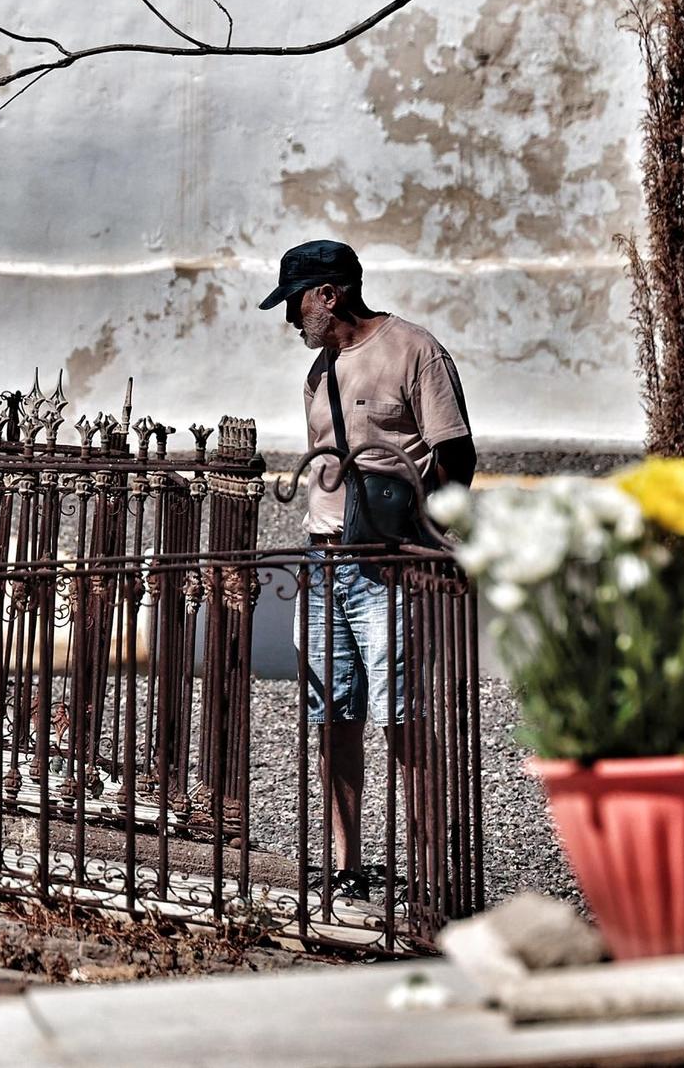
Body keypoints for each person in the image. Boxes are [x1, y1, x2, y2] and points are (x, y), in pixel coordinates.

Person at [257, 239, 476, 901]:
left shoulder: (415, 350)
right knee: (334, 714)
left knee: (404, 716)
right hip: (324, 563)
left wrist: (419, 537)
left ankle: (435, 874)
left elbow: (455, 457)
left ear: (331, 293)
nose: (292, 319)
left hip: (386, 566)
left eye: (296, 303)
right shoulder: (317, 374)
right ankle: (347, 866)